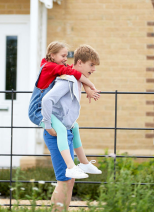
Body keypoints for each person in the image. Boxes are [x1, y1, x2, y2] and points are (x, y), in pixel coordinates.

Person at [42, 45, 101, 212]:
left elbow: (81, 80)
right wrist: (48, 124)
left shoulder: (75, 79)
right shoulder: (67, 80)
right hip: (55, 133)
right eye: (91, 65)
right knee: (64, 180)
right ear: (80, 63)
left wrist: (89, 89)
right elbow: (47, 100)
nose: (94, 69)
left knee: (70, 180)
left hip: (67, 131)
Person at [28, 42, 100, 178]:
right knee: (60, 129)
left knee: (75, 126)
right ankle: (71, 166)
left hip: (44, 108)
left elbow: (76, 74)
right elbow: (73, 73)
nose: (66, 59)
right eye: (63, 55)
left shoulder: (56, 66)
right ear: (52, 55)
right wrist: (48, 125)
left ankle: (84, 163)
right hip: (37, 110)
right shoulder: (50, 67)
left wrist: (88, 89)